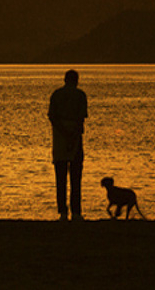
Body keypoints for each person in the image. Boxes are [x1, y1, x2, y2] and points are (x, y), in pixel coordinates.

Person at [48, 69, 88, 221]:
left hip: (59, 139)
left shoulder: (56, 95)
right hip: (75, 139)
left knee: (61, 178)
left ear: (65, 80)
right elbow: (81, 119)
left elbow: (52, 117)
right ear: (76, 80)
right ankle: (76, 212)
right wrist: (72, 135)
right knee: (76, 178)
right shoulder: (80, 95)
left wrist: (63, 133)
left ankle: (63, 212)